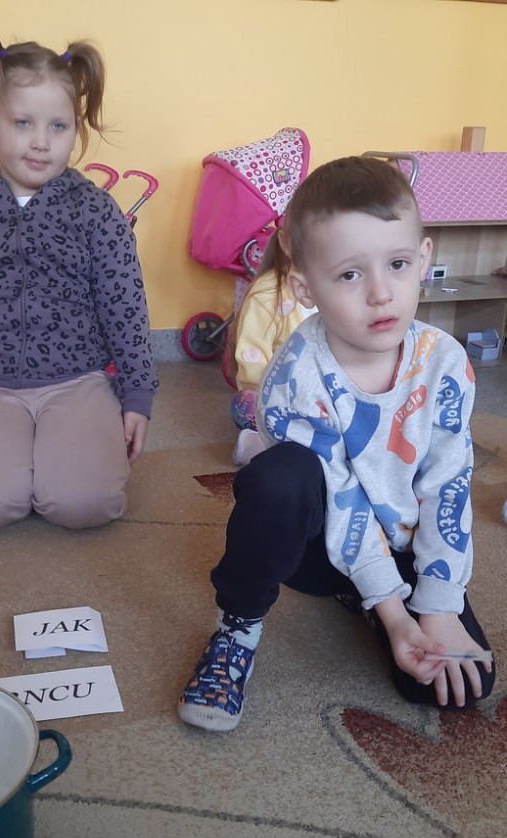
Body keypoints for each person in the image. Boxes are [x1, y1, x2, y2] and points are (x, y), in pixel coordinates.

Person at [179, 155, 495, 732]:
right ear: (306, 287)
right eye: (350, 275)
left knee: (450, 688)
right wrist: (396, 616)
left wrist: (437, 606)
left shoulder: (445, 363)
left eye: (397, 264)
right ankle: (236, 631)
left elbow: (448, 485)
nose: (381, 293)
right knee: (278, 476)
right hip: (321, 550)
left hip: (404, 539)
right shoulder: (294, 377)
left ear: (424, 259)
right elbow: (344, 499)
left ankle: (371, 597)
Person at [0, 31, 157, 531]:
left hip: (79, 382)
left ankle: (60, 462)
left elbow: (125, 308)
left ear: (75, 129)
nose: (41, 141)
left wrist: (137, 396)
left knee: (84, 505)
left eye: (58, 126)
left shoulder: (96, 211)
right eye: (23, 122)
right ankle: (13, 466)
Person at [227, 232, 311, 466]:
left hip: (319, 392)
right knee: (246, 403)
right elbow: (251, 357)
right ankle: (259, 443)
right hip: (277, 393)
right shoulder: (267, 295)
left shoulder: (335, 287)